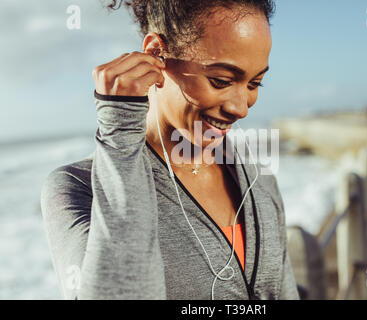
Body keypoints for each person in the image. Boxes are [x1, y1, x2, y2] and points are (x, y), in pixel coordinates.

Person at [40, 0, 300, 300]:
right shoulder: (77, 188)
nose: (240, 108)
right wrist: (121, 129)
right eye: (221, 81)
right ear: (156, 53)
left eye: (255, 84)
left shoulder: (259, 180)